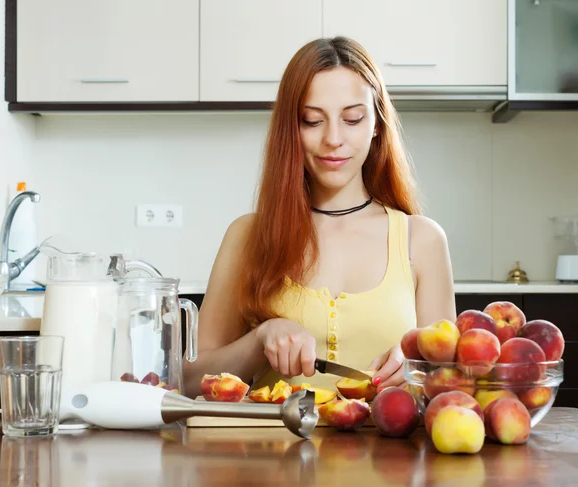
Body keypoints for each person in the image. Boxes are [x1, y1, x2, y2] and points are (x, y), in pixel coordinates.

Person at [183, 36, 456, 399]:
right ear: (291, 130)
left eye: (352, 118)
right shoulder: (247, 236)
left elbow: (452, 385)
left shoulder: (421, 239)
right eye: (312, 121)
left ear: (376, 125)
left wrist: (420, 368)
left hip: (390, 456)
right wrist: (260, 339)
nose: (333, 139)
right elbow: (189, 381)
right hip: (271, 453)